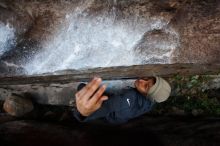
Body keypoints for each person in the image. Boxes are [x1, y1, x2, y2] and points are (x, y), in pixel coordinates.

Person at [73, 76, 171, 124]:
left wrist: (83, 114)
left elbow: (108, 107)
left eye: (145, 86)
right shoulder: (152, 102)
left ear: (147, 95)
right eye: (148, 79)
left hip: (112, 115)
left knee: (81, 87)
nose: (141, 80)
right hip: (121, 117)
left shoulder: (129, 98)